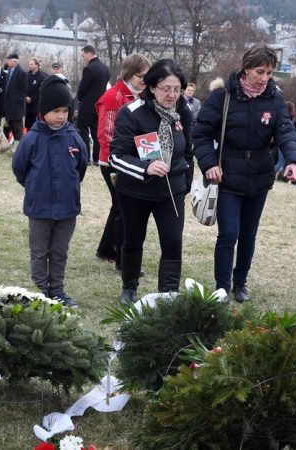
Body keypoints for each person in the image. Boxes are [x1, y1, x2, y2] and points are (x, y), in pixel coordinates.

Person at [194, 44, 296, 303]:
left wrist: (294, 160)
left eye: (269, 72)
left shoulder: (274, 97)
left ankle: (240, 282)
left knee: (248, 236)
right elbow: (200, 133)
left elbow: (286, 131)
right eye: (259, 71)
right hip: (227, 174)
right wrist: (209, 163)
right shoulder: (223, 95)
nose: (265, 78)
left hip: (259, 176)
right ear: (246, 69)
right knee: (228, 234)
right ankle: (222, 286)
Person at [109, 59, 194, 306]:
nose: (172, 94)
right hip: (135, 191)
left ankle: (167, 297)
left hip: (171, 191)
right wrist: (145, 167)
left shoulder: (183, 112)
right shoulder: (132, 112)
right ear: (152, 87)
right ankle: (129, 287)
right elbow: (116, 156)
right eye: (166, 88)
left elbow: (188, 149)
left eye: (177, 89)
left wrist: (185, 181)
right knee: (134, 238)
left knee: (173, 241)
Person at [12, 75, 88, 307]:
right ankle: (41, 290)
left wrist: (69, 189)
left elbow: (81, 168)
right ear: (44, 111)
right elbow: (19, 168)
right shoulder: (31, 138)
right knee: (39, 251)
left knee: (59, 252)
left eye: (65, 110)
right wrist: (36, 187)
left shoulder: (75, 137)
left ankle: (57, 289)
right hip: (40, 207)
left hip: (67, 208)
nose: (61, 116)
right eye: (56, 110)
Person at [95, 52, 151, 270]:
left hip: (134, 161)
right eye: (141, 77)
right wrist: (116, 162)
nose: (145, 81)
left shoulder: (143, 96)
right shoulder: (113, 97)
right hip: (113, 162)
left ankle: (105, 249)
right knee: (124, 208)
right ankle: (121, 259)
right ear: (128, 74)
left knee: (119, 206)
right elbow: (106, 135)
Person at [77, 45, 110, 165]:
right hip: (100, 105)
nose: (83, 59)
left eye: (83, 56)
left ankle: (85, 157)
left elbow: (83, 87)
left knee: (83, 131)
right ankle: (97, 158)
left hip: (87, 105)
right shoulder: (106, 69)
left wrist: (80, 99)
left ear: (89, 54)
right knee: (97, 132)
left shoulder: (89, 69)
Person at [3, 53, 27, 140]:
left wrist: (15, 99)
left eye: (9, 61)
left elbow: (23, 89)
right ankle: (10, 139)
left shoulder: (21, 72)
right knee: (9, 122)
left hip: (16, 104)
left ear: (15, 61)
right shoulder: (10, 70)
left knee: (17, 124)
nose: (7, 62)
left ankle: (19, 140)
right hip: (8, 102)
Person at [272, 100, 295, 176]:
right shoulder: (288, 119)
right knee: (281, 162)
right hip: (283, 142)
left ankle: (284, 176)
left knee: (284, 161)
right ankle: (272, 174)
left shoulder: (280, 116)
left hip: (281, 142)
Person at [25, 57, 47, 132]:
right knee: (26, 125)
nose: (30, 66)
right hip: (26, 106)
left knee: (34, 125)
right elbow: (23, 88)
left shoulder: (42, 77)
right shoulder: (27, 75)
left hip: (35, 106)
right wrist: (26, 97)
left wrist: (32, 99)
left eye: (32, 64)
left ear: (37, 65)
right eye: (29, 64)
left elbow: (41, 91)